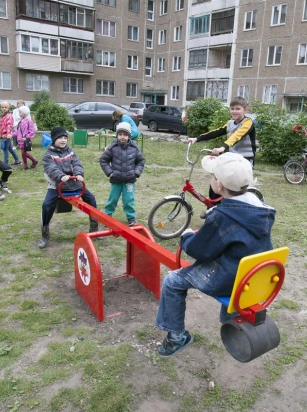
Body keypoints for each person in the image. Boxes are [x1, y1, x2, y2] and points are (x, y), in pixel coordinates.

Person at [154, 152, 275, 357]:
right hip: (253, 276)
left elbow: (200, 250)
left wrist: (187, 237)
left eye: (212, 176)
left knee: (173, 281)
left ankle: (176, 337)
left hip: (228, 277)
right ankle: (231, 318)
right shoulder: (261, 209)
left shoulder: (222, 216)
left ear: (219, 185)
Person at [39, 127, 99, 248]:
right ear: (54, 139)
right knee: (47, 205)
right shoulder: (48, 155)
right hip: (57, 186)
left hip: (74, 184)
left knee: (91, 199)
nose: (63, 140)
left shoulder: (70, 152)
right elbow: (51, 168)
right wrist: (61, 176)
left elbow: (77, 163)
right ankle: (45, 234)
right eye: (60, 138)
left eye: (65, 138)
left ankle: (94, 228)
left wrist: (79, 174)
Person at [188, 96, 257, 201]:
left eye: (238, 109)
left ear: (245, 110)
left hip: (245, 159)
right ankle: (212, 205)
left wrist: (223, 147)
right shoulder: (230, 123)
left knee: (236, 186)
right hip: (233, 157)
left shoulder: (248, 122)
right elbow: (217, 132)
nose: (234, 111)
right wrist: (197, 139)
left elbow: (236, 136)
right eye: (232, 108)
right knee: (217, 177)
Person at [99, 122, 145, 226]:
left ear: (129, 135)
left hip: (129, 180)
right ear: (117, 135)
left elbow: (141, 161)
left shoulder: (134, 147)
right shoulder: (113, 147)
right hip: (116, 179)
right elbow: (103, 160)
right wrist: (109, 172)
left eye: (125, 135)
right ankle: (108, 216)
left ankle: (131, 218)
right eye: (120, 134)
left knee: (129, 200)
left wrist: (136, 173)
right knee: (113, 199)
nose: (122, 137)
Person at [13, 106, 38, 170]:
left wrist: (27, 137)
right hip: (20, 140)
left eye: (20, 112)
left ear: (24, 113)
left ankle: (34, 161)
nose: (19, 113)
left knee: (24, 153)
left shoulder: (28, 121)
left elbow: (32, 131)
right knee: (22, 153)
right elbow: (18, 131)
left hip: (25, 140)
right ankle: (25, 165)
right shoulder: (21, 121)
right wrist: (12, 135)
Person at [0, 101, 21, 166]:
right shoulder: (2, 116)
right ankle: (17, 161)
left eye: (6, 107)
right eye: (2, 107)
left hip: (7, 136)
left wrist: (8, 134)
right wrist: (0, 133)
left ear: (8, 108)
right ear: (0, 108)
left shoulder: (9, 116)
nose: (4, 108)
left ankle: (5, 163)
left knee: (5, 149)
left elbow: (9, 125)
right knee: (10, 149)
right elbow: (1, 126)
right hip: (3, 135)